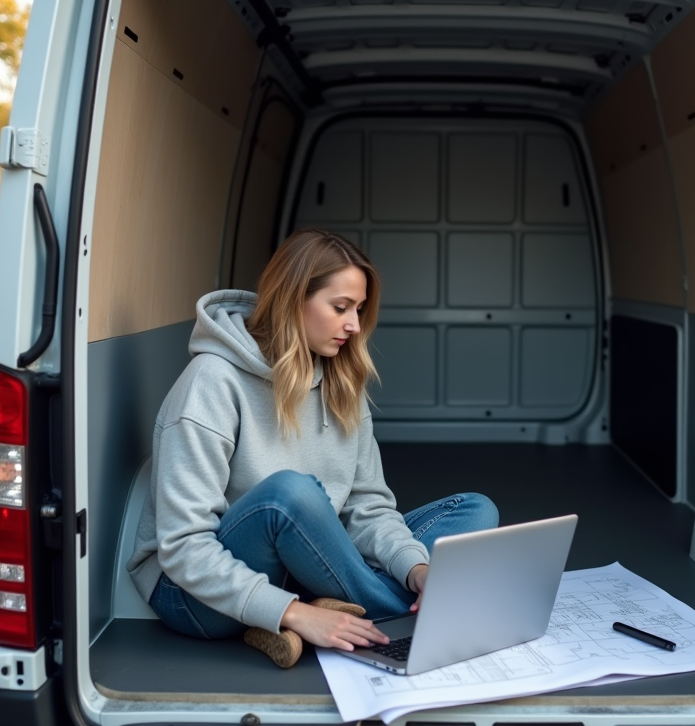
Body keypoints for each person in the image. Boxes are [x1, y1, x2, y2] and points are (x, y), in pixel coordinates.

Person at [126, 228, 499, 668]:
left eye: (359, 309)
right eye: (340, 307)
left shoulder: (341, 382)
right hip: (194, 594)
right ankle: (345, 610)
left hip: (299, 565)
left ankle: (330, 607)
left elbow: (367, 508)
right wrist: (294, 611)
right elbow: (184, 546)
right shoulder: (211, 381)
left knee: (475, 512)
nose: (354, 325)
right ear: (291, 300)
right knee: (289, 495)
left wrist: (418, 570)